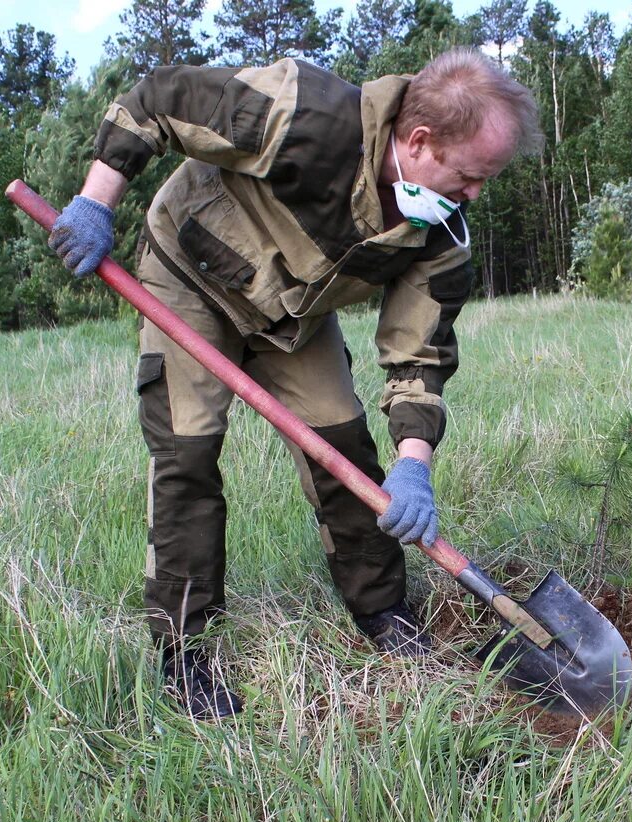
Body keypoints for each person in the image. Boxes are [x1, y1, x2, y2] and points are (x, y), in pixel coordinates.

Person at [48, 49, 541, 720]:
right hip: (190, 278)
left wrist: (413, 465)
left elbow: (417, 357)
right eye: (469, 175)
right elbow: (158, 97)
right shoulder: (303, 115)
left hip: (291, 318)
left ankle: (384, 614)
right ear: (419, 141)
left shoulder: (440, 234)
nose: (476, 193)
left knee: (343, 451)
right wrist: (94, 201)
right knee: (187, 453)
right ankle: (184, 656)